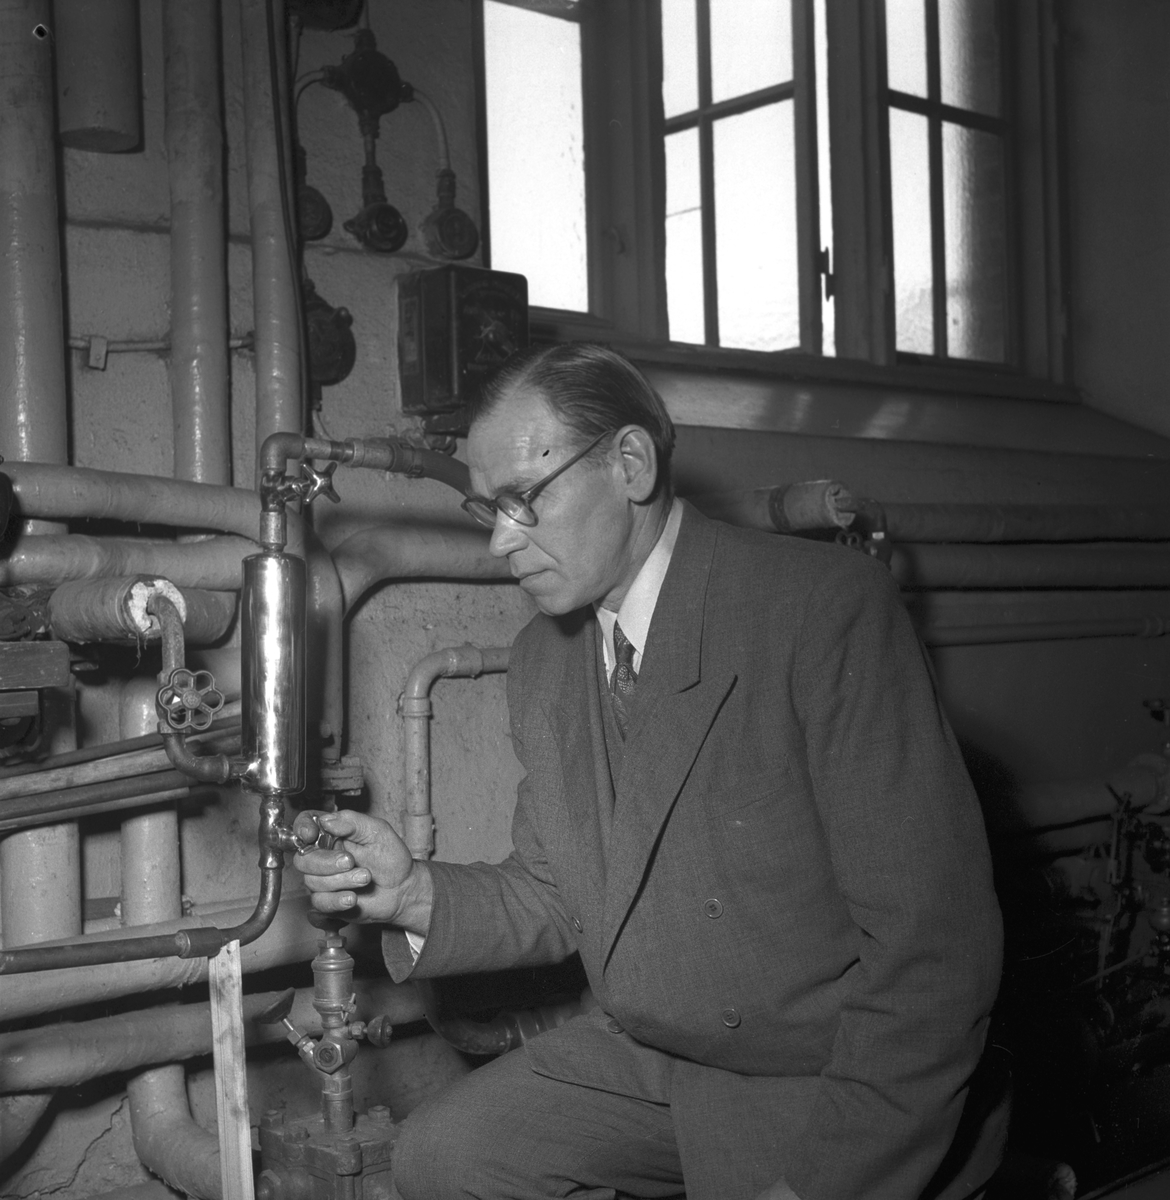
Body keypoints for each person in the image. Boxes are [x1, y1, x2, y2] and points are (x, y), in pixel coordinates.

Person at [293, 343, 1003, 1200]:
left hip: (819, 1070)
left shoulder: (819, 610)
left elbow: (934, 953)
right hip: (655, 1057)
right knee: (446, 1157)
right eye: (488, 508)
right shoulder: (546, 660)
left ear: (629, 463)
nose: (500, 539)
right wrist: (409, 894)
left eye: (522, 500)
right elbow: (559, 891)